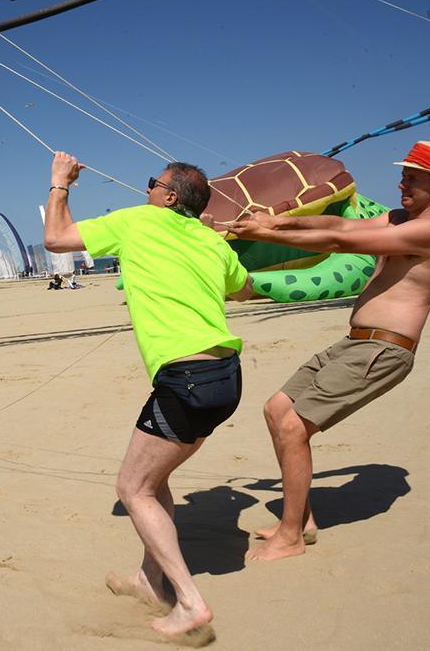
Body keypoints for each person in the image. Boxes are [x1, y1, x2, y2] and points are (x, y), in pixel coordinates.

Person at [44, 151, 255, 642]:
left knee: (132, 489)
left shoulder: (139, 221)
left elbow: (56, 238)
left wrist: (59, 182)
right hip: (226, 377)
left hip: (187, 379)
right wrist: (206, 246)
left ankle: (190, 603)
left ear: (170, 197)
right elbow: (244, 290)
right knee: (153, 480)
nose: (146, 190)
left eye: (152, 184)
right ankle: (148, 579)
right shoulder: (211, 239)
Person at [223, 140, 430, 561]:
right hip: (356, 342)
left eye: (412, 179)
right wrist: (277, 222)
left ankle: (291, 537)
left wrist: (265, 233)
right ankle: (301, 520)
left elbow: (339, 242)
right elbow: (341, 225)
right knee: (277, 409)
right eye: (403, 176)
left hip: (385, 349)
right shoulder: (398, 218)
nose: (401, 184)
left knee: (294, 427)